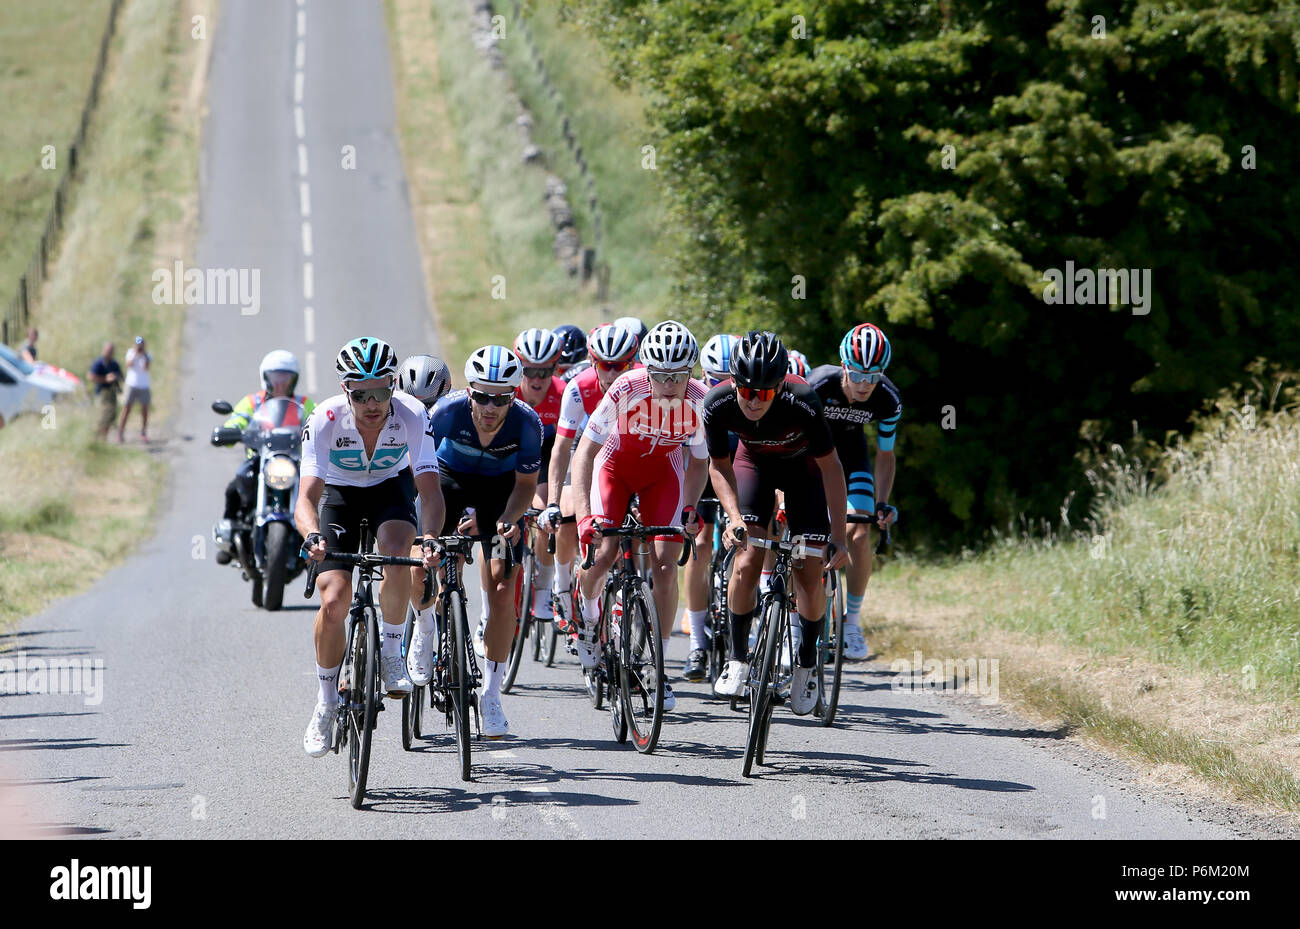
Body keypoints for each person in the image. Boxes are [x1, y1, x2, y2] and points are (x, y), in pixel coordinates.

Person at [297, 337, 445, 758]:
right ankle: (325, 702)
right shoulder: (324, 419)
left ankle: (392, 651)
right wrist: (312, 535)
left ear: (393, 385)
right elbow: (306, 498)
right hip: (340, 496)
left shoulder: (413, 414)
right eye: (361, 394)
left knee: (399, 555)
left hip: (389, 491)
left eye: (381, 390)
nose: (372, 403)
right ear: (347, 391)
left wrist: (429, 537)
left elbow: (430, 492)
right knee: (335, 599)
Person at [703, 330, 849, 716]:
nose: (753, 401)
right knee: (747, 559)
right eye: (747, 391)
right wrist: (734, 518)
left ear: (780, 385)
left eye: (764, 393)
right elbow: (717, 466)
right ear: (732, 382)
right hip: (754, 467)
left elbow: (831, 468)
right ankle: (737, 660)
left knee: (808, 572)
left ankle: (804, 668)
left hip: (805, 475)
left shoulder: (803, 401)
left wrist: (839, 537)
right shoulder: (717, 403)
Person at [570, 321, 710, 712]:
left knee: (666, 567)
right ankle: (589, 621)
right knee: (603, 553)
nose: (667, 384)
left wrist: (689, 508)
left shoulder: (700, 399)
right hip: (614, 469)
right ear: (646, 370)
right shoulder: (627, 387)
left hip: (661, 476)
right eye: (659, 375)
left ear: (690, 372)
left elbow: (699, 464)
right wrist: (584, 518)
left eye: (676, 376)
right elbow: (585, 454)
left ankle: (657, 666)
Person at [415, 346, 543, 738]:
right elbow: (419, 471)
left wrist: (509, 519)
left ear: (513, 395)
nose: (490, 406)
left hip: (500, 493)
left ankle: (491, 693)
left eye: (501, 397)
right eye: (482, 395)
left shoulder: (527, 424)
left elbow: (525, 486)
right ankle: (424, 627)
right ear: (469, 392)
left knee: (504, 587)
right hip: (447, 482)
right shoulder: (445, 413)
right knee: (424, 554)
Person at [806, 323, 901, 659]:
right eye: (858, 375)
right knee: (809, 535)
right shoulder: (818, 384)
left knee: (859, 534)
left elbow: (886, 455)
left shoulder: (888, 399)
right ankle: (803, 615)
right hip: (810, 456)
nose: (865, 385)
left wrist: (881, 502)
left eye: (873, 377)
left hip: (851, 457)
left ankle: (852, 623)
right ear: (844, 366)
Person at [540, 322, 640, 640]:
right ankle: (565, 587)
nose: (611, 373)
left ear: (633, 363)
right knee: (572, 515)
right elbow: (561, 449)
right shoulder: (579, 387)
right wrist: (554, 501)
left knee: (640, 528)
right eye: (604, 365)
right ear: (592, 362)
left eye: (620, 366)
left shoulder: (644, 385)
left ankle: (630, 592)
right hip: (587, 456)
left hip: (629, 460)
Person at [215, 351, 315, 564]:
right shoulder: (251, 402)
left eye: (286, 378)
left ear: (294, 379)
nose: (280, 383)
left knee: (315, 493)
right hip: (260, 461)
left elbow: (319, 423)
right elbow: (237, 420)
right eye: (275, 377)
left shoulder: (304, 404)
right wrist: (230, 431)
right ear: (266, 378)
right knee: (234, 488)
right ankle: (228, 537)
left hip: (292, 462)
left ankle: (314, 541)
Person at [681, 333, 740, 681]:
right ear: (703, 374)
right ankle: (697, 642)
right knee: (700, 545)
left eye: (727, 380)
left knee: (745, 540)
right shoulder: (692, 399)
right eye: (714, 379)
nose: (720, 387)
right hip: (702, 473)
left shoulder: (745, 398)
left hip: (735, 473)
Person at [511, 329, 565, 629]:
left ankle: (543, 589)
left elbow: (565, 449)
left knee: (546, 510)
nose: (537, 378)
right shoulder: (509, 391)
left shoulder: (563, 392)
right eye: (529, 370)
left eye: (544, 371)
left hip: (545, 453)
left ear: (555, 368)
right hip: (511, 452)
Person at [117, 336, 152, 442]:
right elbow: (128, 365)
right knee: (126, 409)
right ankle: (120, 432)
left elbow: (146, 367)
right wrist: (136, 354)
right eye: (138, 344)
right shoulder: (130, 353)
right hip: (131, 384)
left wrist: (143, 355)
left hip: (143, 385)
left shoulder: (147, 355)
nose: (139, 347)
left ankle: (143, 432)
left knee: (145, 410)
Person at [88, 342, 123, 440]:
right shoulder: (99, 363)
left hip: (112, 393)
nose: (110, 353)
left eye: (111, 351)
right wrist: (105, 379)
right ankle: (95, 438)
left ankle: (104, 438)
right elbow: (91, 376)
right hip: (102, 393)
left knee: (110, 417)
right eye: (108, 351)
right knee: (101, 417)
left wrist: (116, 377)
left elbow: (121, 376)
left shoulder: (114, 364)